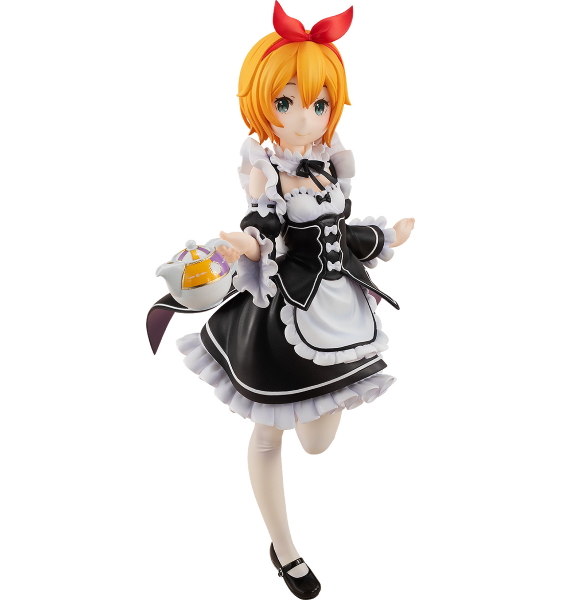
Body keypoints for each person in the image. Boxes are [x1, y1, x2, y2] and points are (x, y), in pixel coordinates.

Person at [150, 3, 414, 598]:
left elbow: (342, 233)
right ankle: (284, 549)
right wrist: (243, 244)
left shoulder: (327, 170)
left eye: (319, 104)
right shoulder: (266, 172)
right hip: (283, 313)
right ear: (263, 104)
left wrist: (388, 237)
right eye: (287, 102)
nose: (303, 117)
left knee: (317, 442)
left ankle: (304, 426)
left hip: (339, 314)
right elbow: (264, 229)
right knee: (270, 431)